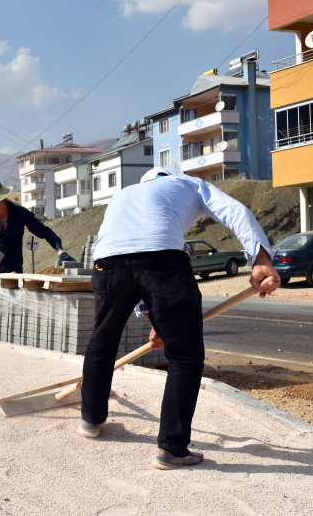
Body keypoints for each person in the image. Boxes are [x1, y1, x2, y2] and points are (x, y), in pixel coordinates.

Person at [79, 167, 280, 470]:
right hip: (163, 260)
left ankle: (91, 420)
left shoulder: (124, 194)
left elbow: (132, 256)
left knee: (102, 343)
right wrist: (260, 259)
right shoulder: (188, 184)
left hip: (106, 264)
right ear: (168, 177)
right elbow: (235, 211)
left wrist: (157, 323)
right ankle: (172, 448)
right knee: (184, 356)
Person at [0, 180, 76, 337]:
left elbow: (45, 232)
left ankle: (13, 340)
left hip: (13, 268)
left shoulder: (20, 214)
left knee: (14, 309)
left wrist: (61, 251)